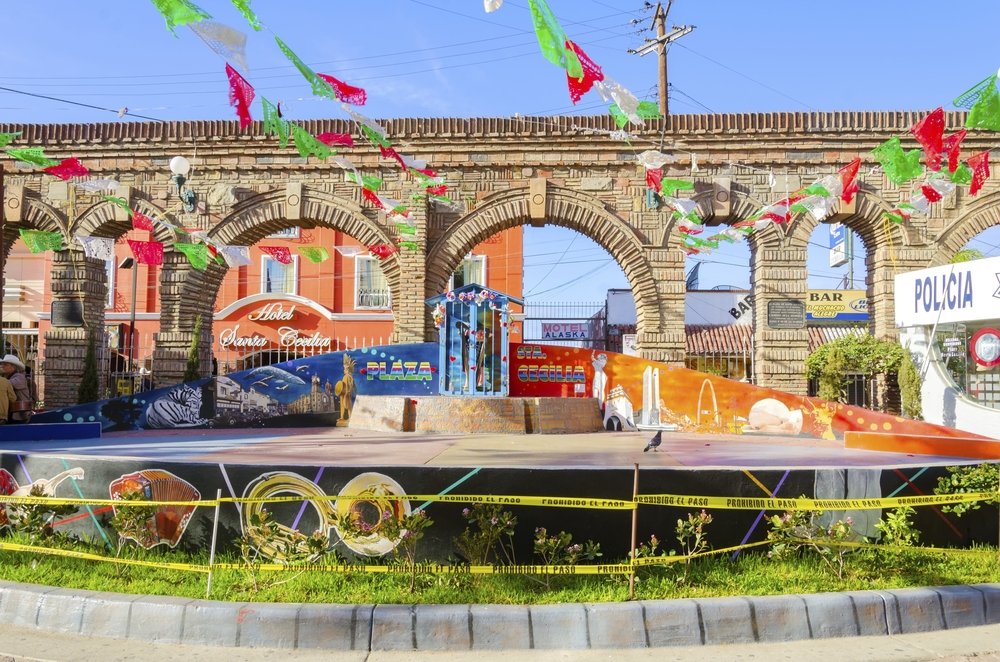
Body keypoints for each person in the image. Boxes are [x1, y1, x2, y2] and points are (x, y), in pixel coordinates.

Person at [0, 355, 33, 423]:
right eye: (2, 364)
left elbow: (6, 384)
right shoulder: (6, 377)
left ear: (13, 367)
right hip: (11, 412)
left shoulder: (19, 377)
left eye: (6, 365)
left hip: (20, 413)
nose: (2, 366)